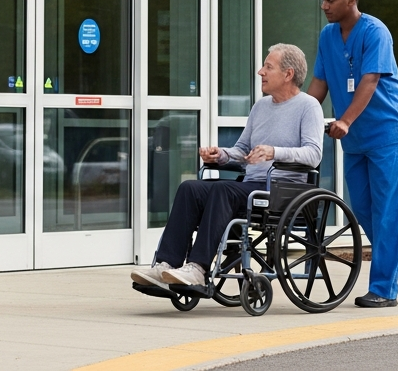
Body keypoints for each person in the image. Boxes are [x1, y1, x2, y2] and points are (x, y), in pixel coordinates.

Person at [131, 43, 324, 290]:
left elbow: (314, 154)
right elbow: (243, 150)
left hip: (283, 191)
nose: (260, 72)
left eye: (268, 66)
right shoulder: (260, 107)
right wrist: (220, 155)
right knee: (190, 188)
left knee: (224, 190)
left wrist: (273, 151)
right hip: (252, 187)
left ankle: (198, 268)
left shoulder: (308, 106)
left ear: (288, 74)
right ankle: (166, 264)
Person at [308, 0, 398, 308]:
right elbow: (319, 84)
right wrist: (299, 116)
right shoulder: (327, 36)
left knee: (388, 213)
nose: (324, 6)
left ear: (351, 0)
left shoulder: (375, 31)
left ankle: (384, 289)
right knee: (365, 211)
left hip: (386, 133)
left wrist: (346, 120)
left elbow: (369, 80)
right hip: (355, 140)